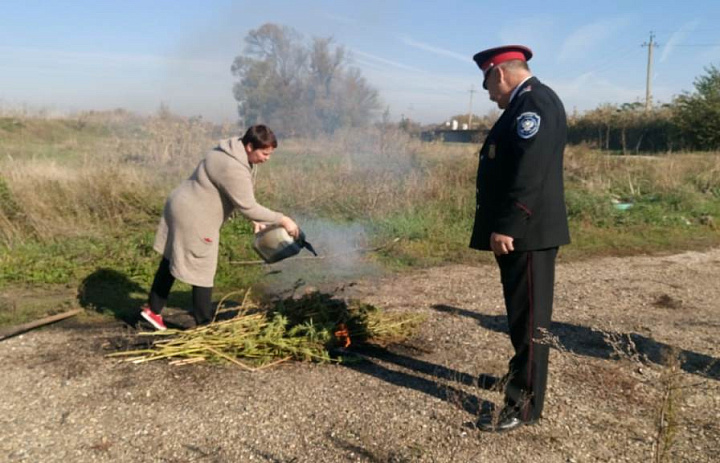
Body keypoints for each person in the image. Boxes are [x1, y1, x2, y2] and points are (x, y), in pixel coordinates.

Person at [469, 45, 570, 432]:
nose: (488, 93)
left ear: (500, 74)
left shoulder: (535, 105)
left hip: (526, 233)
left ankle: (524, 406)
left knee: (531, 322)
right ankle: (517, 381)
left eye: (487, 84)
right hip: (524, 231)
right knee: (521, 315)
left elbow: (529, 171)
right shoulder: (526, 104)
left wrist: (509, 223)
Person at [140, 125, 299, 331]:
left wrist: (252, 218)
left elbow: (229, 193)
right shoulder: (233, 167)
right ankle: (204, 325)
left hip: (180, 204)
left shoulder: (226, 150)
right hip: (195, 217)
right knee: (203, 269)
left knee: (172, 257)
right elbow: (248, 205)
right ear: (250, 146)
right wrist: (283, 219)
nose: (267, 158)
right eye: (264, 153)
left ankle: (153, 310)